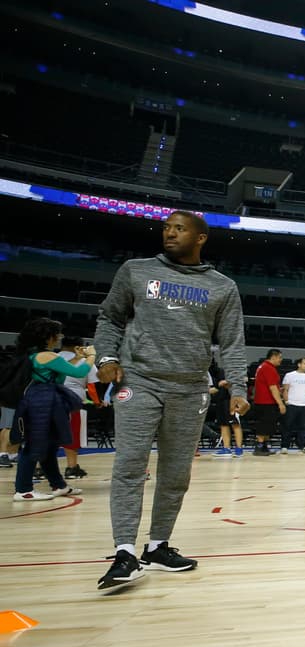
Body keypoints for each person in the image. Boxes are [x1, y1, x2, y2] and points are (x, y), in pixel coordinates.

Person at [93, 210, 248, 591]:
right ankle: (125, 552)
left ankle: (158, 546)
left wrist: (239, 388)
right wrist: (107, 358)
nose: (170, 233)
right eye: (166, 227)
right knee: (130, 465)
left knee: (176, 473)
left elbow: (231, 342)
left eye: (179, 228)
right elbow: (109, 318)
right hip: (139, 381)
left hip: (191, 388)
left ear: (200, 238)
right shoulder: (136, 270)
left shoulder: (222, 286)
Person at [11, 318, 88, 502]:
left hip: (44, 399)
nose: (60, 336)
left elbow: (64, 371)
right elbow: (78, 373)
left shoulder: (39, 354)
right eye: (57, 333)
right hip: (42, 401)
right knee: (35, 445)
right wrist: (91, 356)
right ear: (48, 336)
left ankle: (59, 485)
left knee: (50, 445)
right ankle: (23, 489)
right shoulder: (46, 356)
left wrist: (78, 358)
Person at [57, 335, 97, 479]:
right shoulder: (86, 361)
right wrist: (97, 402)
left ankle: (38, 468)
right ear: (79, 347)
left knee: (47, 434)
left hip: (49, 401)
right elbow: (92, 386)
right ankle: (71, 468)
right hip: (72, 401)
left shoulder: (52, 358)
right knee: (72, 435)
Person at [251, 349, 285, 456]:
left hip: (262, 401)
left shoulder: (263, 366)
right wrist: (280, 403)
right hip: (266, 402)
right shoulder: (268, 368)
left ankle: (264, 447)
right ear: (273, 357)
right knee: (264, 425)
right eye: (279, 357)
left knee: (268, 425)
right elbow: (272, 388)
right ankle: (259, 447)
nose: (281, 360)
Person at [280, 357, 305, 453]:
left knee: (303, 427)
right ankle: (284, 446)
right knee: (287, 426)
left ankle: (302, 446)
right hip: (291, 404)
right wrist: (286, 401)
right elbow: (285, 389)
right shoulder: (290, 375)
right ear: (299, 364)